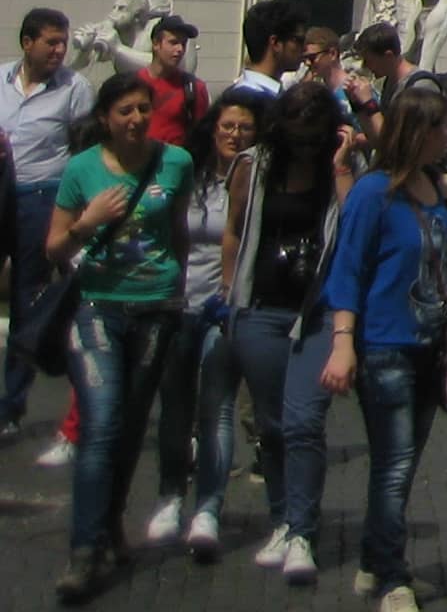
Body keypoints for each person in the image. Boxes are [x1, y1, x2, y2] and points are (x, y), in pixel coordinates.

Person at [285, 81, 447, 612]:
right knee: (394, 464)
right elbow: (347, 270)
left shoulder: (432, 185)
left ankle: (374, 562)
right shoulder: (373, 192)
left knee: (402, 464)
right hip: (384, 346)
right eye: (443, 128)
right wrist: (342, 343)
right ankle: (391, 578)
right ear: (419, 132)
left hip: (429, 344)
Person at [48, 72, 196, 601]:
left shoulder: (175, 162)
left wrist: (178, 288)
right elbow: (54, 248)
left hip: (156, 307)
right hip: (98, 307)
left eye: (142, 109)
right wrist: (87, 222)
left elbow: (177, 230)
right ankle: (83, 551)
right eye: (125, 111)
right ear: (105, 119)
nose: (136, 120)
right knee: (101, 424)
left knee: (131, 426)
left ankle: (110, 522)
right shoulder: (81, 169)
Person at [225, 79, 351, 575]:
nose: (303, 147)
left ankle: (303, 530)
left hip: (318, 313)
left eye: (312, 138)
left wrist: (340, 164)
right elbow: (234, 228)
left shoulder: (337, 166)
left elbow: (353, 224)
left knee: (303, 422)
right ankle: (281, 519)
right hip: (261, 308)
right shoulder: (254, 166)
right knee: (272, 426)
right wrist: (229, 291)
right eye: (296, 137)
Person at [144, 87, 260, 564]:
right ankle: (171, 495)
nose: (234, 135)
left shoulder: (257, 180)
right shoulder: (189, 175)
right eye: (227, 126)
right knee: (174, 407)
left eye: (245, 128)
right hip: (177, 303)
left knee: (217, 407)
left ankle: (209, 508)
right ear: (212, 129)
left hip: (223, 308)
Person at [4, 5, 98, 441]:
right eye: (51, 42)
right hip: (0, 191)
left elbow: (84, 148)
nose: (60, 50)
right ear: (28, 43)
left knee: (27, 298)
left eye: (63, 42)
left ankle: (10, 404)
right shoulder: (1, 79)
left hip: (41, 197)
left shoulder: (74, 89)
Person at [132, 19, 206, 156]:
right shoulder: (132, 84)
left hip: (174, 163)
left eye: (183, 44)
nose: (180, 49)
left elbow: (202, 136)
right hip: (135, 161)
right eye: (173, 43)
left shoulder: (194, 88)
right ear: (156, 44)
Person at [224, 2, 307, 106]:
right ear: (275, 43)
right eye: (299, 40)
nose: (305, 48)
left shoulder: (272, 95)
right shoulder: (248, 102)